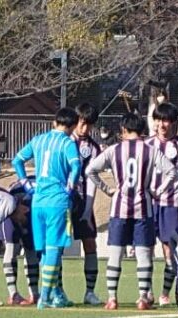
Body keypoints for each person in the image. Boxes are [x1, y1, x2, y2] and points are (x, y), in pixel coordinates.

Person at [86, 112, 176, 310]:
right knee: (144, 255)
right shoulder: (150, 150)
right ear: (142, 130)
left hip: (119, 208)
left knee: (115, 254)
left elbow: (90, 170)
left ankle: (112, 298)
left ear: (123, 130)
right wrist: (157, 191)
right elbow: (171, 171)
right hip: (143, 208)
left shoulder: (114, 150)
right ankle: (143, 298)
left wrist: (107, 189)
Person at [12, 107, 82, 309]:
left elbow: (17, 160)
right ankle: (45, 296)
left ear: (54, 122)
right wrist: (70, 188)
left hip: (37, 201)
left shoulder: (39, 140)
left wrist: (25, 183)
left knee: (44, 251)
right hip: (57, 202)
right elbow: (76, 167)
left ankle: (57, 293)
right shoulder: (68, 143)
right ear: (73, 126)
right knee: (54, 249)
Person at [145, 102, 178, 306]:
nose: (162, 124)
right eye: (158, 120)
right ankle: (145, 291)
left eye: (166, 120)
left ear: (173, 123)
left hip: (171, 204)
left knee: (169, 249)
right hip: (148, 203)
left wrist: (177, 194)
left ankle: (165, 293)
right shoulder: (147, 144)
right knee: (145, 247)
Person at [70, 103, 103, 305]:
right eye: (82, 124)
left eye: (89, 125)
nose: (85, 129)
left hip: (83, 201)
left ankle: (89, 291)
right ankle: (57, 289)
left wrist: (89, 207)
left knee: (90, 242)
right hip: (63, 200)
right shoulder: (64, 141)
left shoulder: (93, 148)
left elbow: (92, 177)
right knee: (57, 245)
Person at [0, 179, 40, 306]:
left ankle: (34, 293)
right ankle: (13, 294)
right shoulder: (41, 184)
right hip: (11, 209)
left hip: (32, 211)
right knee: (11, 249)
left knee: (31, 250)